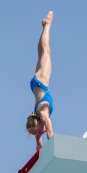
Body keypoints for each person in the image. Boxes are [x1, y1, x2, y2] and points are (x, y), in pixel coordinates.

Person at [26, 11, 54, 150]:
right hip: (36, 84)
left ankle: (47, 24)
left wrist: (54, 146)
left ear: (37, 124)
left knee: (46, 52)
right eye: (36, 134)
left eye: (37, 132)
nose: (39, 134)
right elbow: (39, 147)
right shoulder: (38, 120)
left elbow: (50, 133)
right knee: (41, 54)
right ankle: (44, 27)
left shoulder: (42, 114)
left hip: (42, 82)